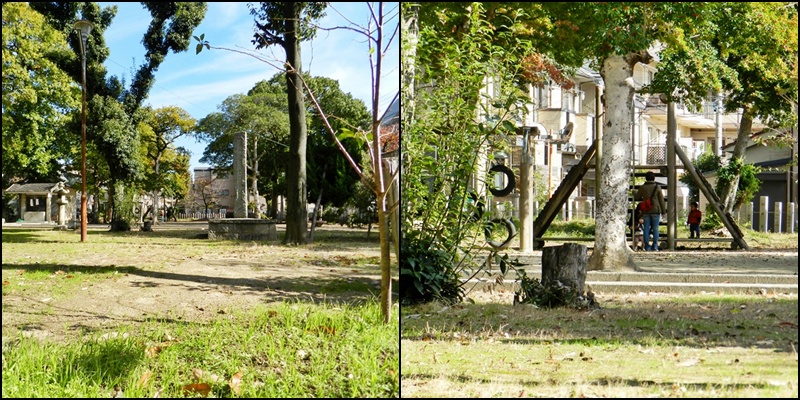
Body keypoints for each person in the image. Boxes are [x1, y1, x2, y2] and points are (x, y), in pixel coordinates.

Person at [635, 171, 666, 251]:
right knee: (655, 228)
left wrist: (634, 192)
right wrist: (663, 211)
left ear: (646, 178)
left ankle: (647, 246)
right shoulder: (657, 187)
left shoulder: (643, 187)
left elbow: (637, 197)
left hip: (646, 211)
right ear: (654, 178)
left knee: (646, 229)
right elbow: (661, 200)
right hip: (656, 210)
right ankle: (655, 246)